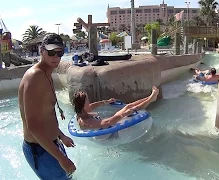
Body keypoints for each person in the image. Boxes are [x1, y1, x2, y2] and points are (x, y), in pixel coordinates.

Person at [18, 33, 76, 180]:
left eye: (60, 52)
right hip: (41, 151)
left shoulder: (46, 74)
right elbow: (33, 126)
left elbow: (46, 115)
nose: (55, 57)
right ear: (41, 50)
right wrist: (61, 158)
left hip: (51, 145)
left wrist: (61, 136)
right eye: (51, 52)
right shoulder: (35, 77)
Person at [72, 86, 159, 130]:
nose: (89, 102)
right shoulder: (85, 122)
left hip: (108, 124)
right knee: (130, 110)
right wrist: (124, 115)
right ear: (83, 105)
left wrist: (106, 101)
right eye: (87, 100)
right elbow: (108, 123)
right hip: (108, 135)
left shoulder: (82, 111)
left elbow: (93, 105)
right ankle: (151, 99)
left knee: (128, 106)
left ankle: (150, 97)